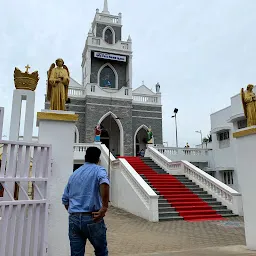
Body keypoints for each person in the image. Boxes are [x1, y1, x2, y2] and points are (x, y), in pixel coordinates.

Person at [62, 147, 109, 256]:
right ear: (98, 158)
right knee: (101, 251)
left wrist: (75, 212)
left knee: (76, 254)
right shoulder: (99, 170)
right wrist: (104, 207)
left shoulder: (75, 174)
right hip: (92, 217)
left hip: (74, 218)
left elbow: (65, 200)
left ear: (85, 157)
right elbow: (104, 183)